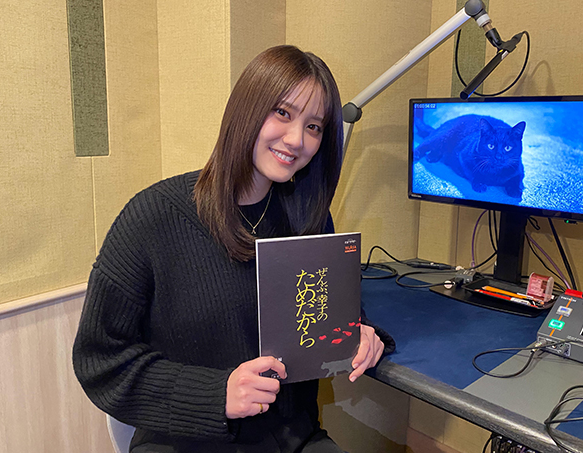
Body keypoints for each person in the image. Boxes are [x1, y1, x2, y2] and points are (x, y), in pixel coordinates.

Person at [72, 45, 394, 453]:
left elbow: (326, 317)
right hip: (184, 442)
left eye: (314, 126)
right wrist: (215, 393)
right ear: (246, 110)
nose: (297, 139)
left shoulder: (307, 219)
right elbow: (100, 360)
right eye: (283, 113)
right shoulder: (153, 217)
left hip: (291, 439)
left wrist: (360, 333)